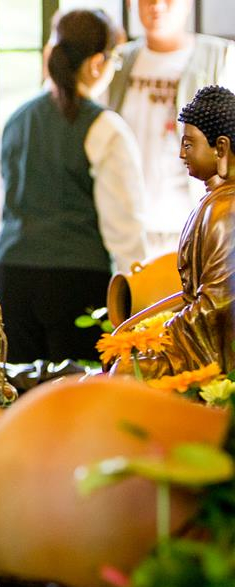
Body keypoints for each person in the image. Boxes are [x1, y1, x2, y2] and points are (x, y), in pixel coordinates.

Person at [0, 9, 147, 363]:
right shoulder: (105, 128)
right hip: (76, 281)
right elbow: (125, 230)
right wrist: (138, 304)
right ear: (96, 63)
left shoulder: (14, 121)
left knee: (18, 389)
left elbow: (5, 205)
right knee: (78, 389)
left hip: (9, 276)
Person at [107, 0, 235, 254]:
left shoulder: (222, 57)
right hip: (128, 231)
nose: (157, 5)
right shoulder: (117, 61)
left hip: (198, 224)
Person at [128, 85, 235, 377]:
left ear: (221, 148)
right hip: (194, 332)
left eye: (188, 145)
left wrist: (162, 333)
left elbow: (216, 304)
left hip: (214, 351)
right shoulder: (213, 203)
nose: (180, 154)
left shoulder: (226, 211)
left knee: (126, 370)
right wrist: (142, 328)